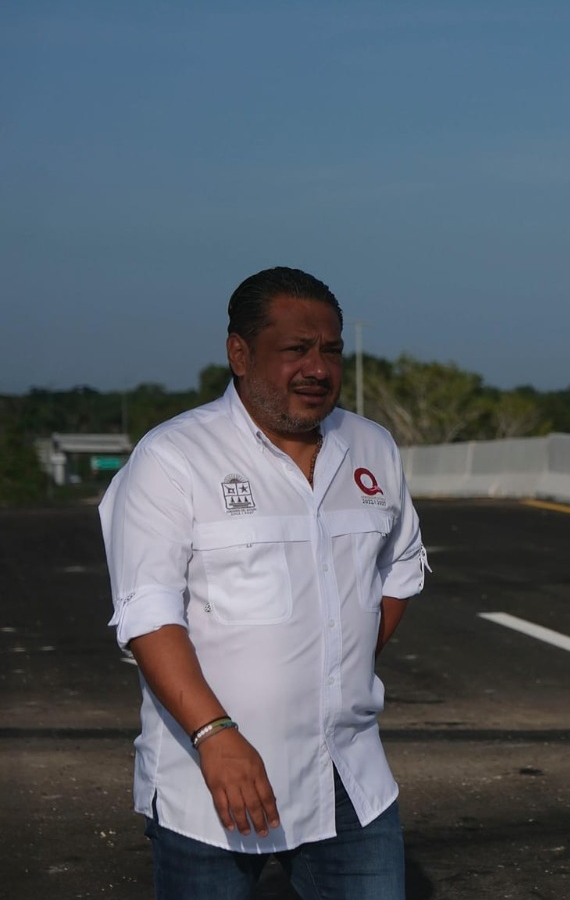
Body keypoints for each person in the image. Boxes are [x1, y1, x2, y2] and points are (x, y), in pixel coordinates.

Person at [100, 266, 428, 899]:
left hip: (348, 775)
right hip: (213, 779)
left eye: (330, 350)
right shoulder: (174, 458)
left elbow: (399, 569)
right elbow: (148, 614)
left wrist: (334, 666)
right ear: (240, 353)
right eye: (295, 350)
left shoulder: (372, 448)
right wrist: (215, 736)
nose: (317, 368)